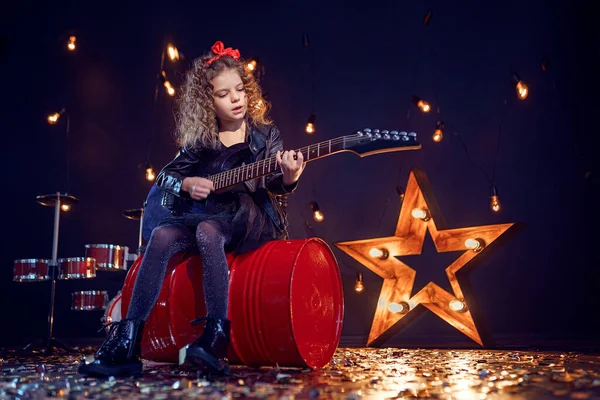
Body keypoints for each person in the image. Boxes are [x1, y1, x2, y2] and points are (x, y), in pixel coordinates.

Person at [79, 40, 305, 377]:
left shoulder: (266, 135)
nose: (236, 99)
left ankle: (215, 336)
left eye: (240, 90)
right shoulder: (203, 141)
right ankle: (128, 340)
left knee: (207, 230)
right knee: (160, 235)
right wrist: (187, 184)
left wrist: (289, 178)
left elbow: (272, 188)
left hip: (248, 219)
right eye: (224, 94)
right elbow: (166, 177)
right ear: (207, 102)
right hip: (206, 213)